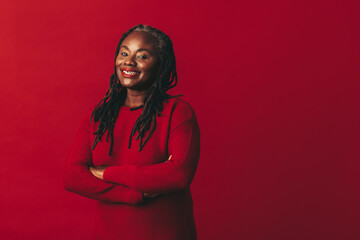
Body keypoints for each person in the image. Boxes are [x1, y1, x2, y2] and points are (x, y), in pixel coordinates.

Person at [63, 24, 201, 240]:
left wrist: (106, 173)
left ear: (160, 65)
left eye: (142, 56)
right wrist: (133, 193)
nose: (128, 61)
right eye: (124, 53)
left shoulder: (178, 112)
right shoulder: (100, 116)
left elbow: (178, 175)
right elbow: (73, 178)